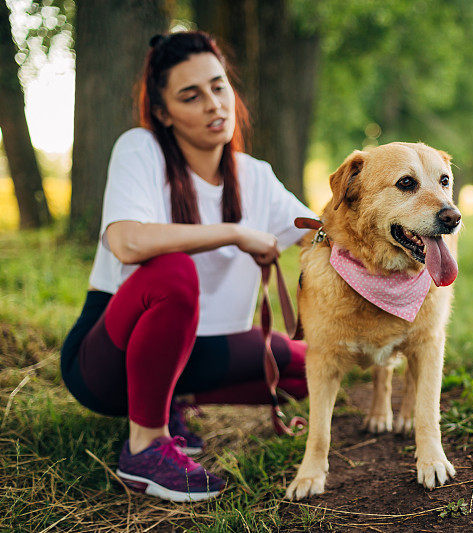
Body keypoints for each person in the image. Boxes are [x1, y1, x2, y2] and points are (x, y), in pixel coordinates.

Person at [60, 31, 316, 503]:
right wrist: (235, 232)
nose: (214, 105)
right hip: (105, 362)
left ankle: (170, 395)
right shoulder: (140, 149)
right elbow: (127, 240)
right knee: (173, 270)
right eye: (190, 96)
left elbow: (320, 231)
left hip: (195, 355)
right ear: (163, 112)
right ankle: (146, 445)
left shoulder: (255, 175)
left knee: (309, 366)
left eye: (219, 87)